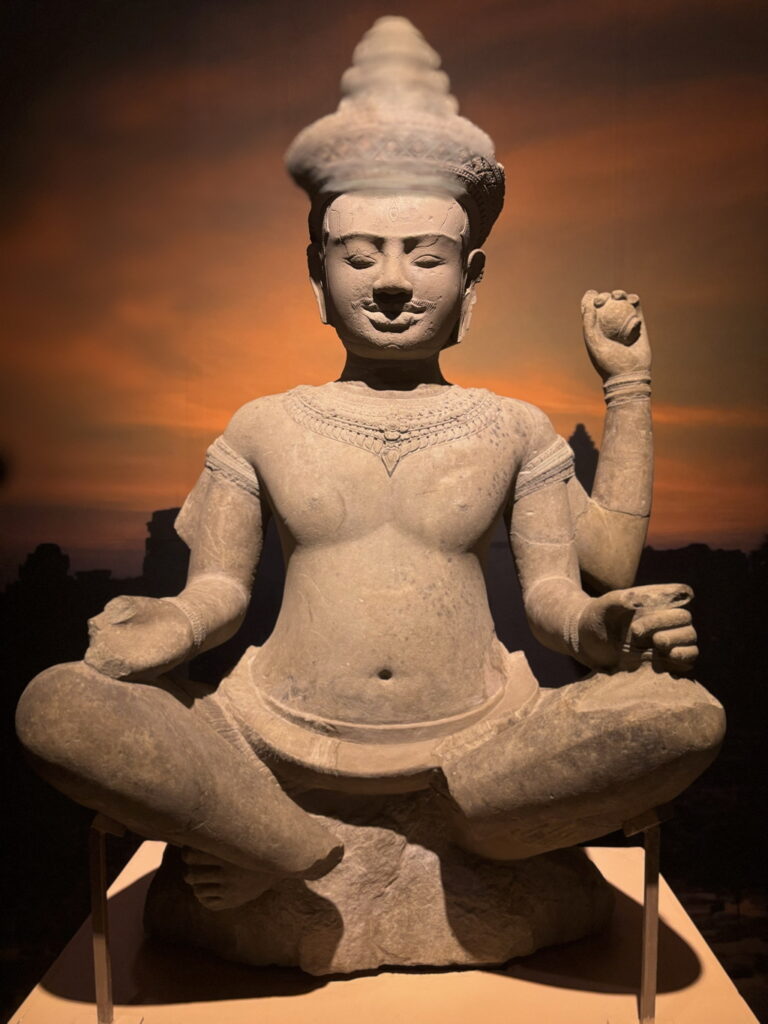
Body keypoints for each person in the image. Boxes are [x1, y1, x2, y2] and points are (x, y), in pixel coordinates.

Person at [16, 17, 723, 912]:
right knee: (56, 708)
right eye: (359, 256)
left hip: (481, 742)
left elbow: (574, 591)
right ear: (317, 276)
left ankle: (474, 825)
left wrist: (629, 398)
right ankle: (291, 842)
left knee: (686, 717)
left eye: (425, 256)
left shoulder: (508, 424)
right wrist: (172, 625)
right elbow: (221, 591)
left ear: (470, 280)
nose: (391, 282)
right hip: (272, 735)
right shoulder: (267, 424)